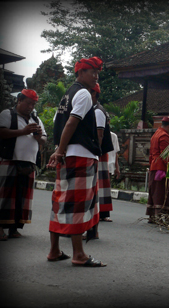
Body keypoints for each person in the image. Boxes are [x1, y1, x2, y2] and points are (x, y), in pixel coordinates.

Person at [47, 56, 106, 267]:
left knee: (60, 202)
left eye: (97, 73)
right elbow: (71, 123)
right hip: (79, 155)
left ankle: (54, 250)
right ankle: (79, 254)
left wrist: (59, 151)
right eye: (93, 72)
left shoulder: (67, 95)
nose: (96, 76)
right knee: (77, 205)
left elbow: (58, 124)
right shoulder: (83, 94)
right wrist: (60, 151)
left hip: (67, 155)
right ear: (80, 72)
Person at [0, 89, 46, 241]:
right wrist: (23, 131)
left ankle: (14, 229)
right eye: (28, 103)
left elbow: (44, 140)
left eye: (33, 104)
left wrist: (38, 137)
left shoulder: (35, 119)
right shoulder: (7, 114)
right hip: (10, 159)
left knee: (21, 197)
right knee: (5, 195)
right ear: (19, 100)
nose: (31, 107)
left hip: (28, 162)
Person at [147, 116, 169, 217]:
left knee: (154, 190)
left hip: (154, 166)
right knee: (162, 191)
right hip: (161, 168)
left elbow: (151, 153)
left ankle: (152, 215)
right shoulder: (164, 136)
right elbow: (166, 155)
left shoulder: (155, 134)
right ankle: (160, 215)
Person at [93, 83, 114, 224]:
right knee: (99, 183)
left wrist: (95, 151)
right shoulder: (94, 110)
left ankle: (103, 212)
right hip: (98, 152)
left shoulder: (98, 111)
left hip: (98, 152)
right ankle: (99, 211)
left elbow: (99, 135)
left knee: (100, 183)